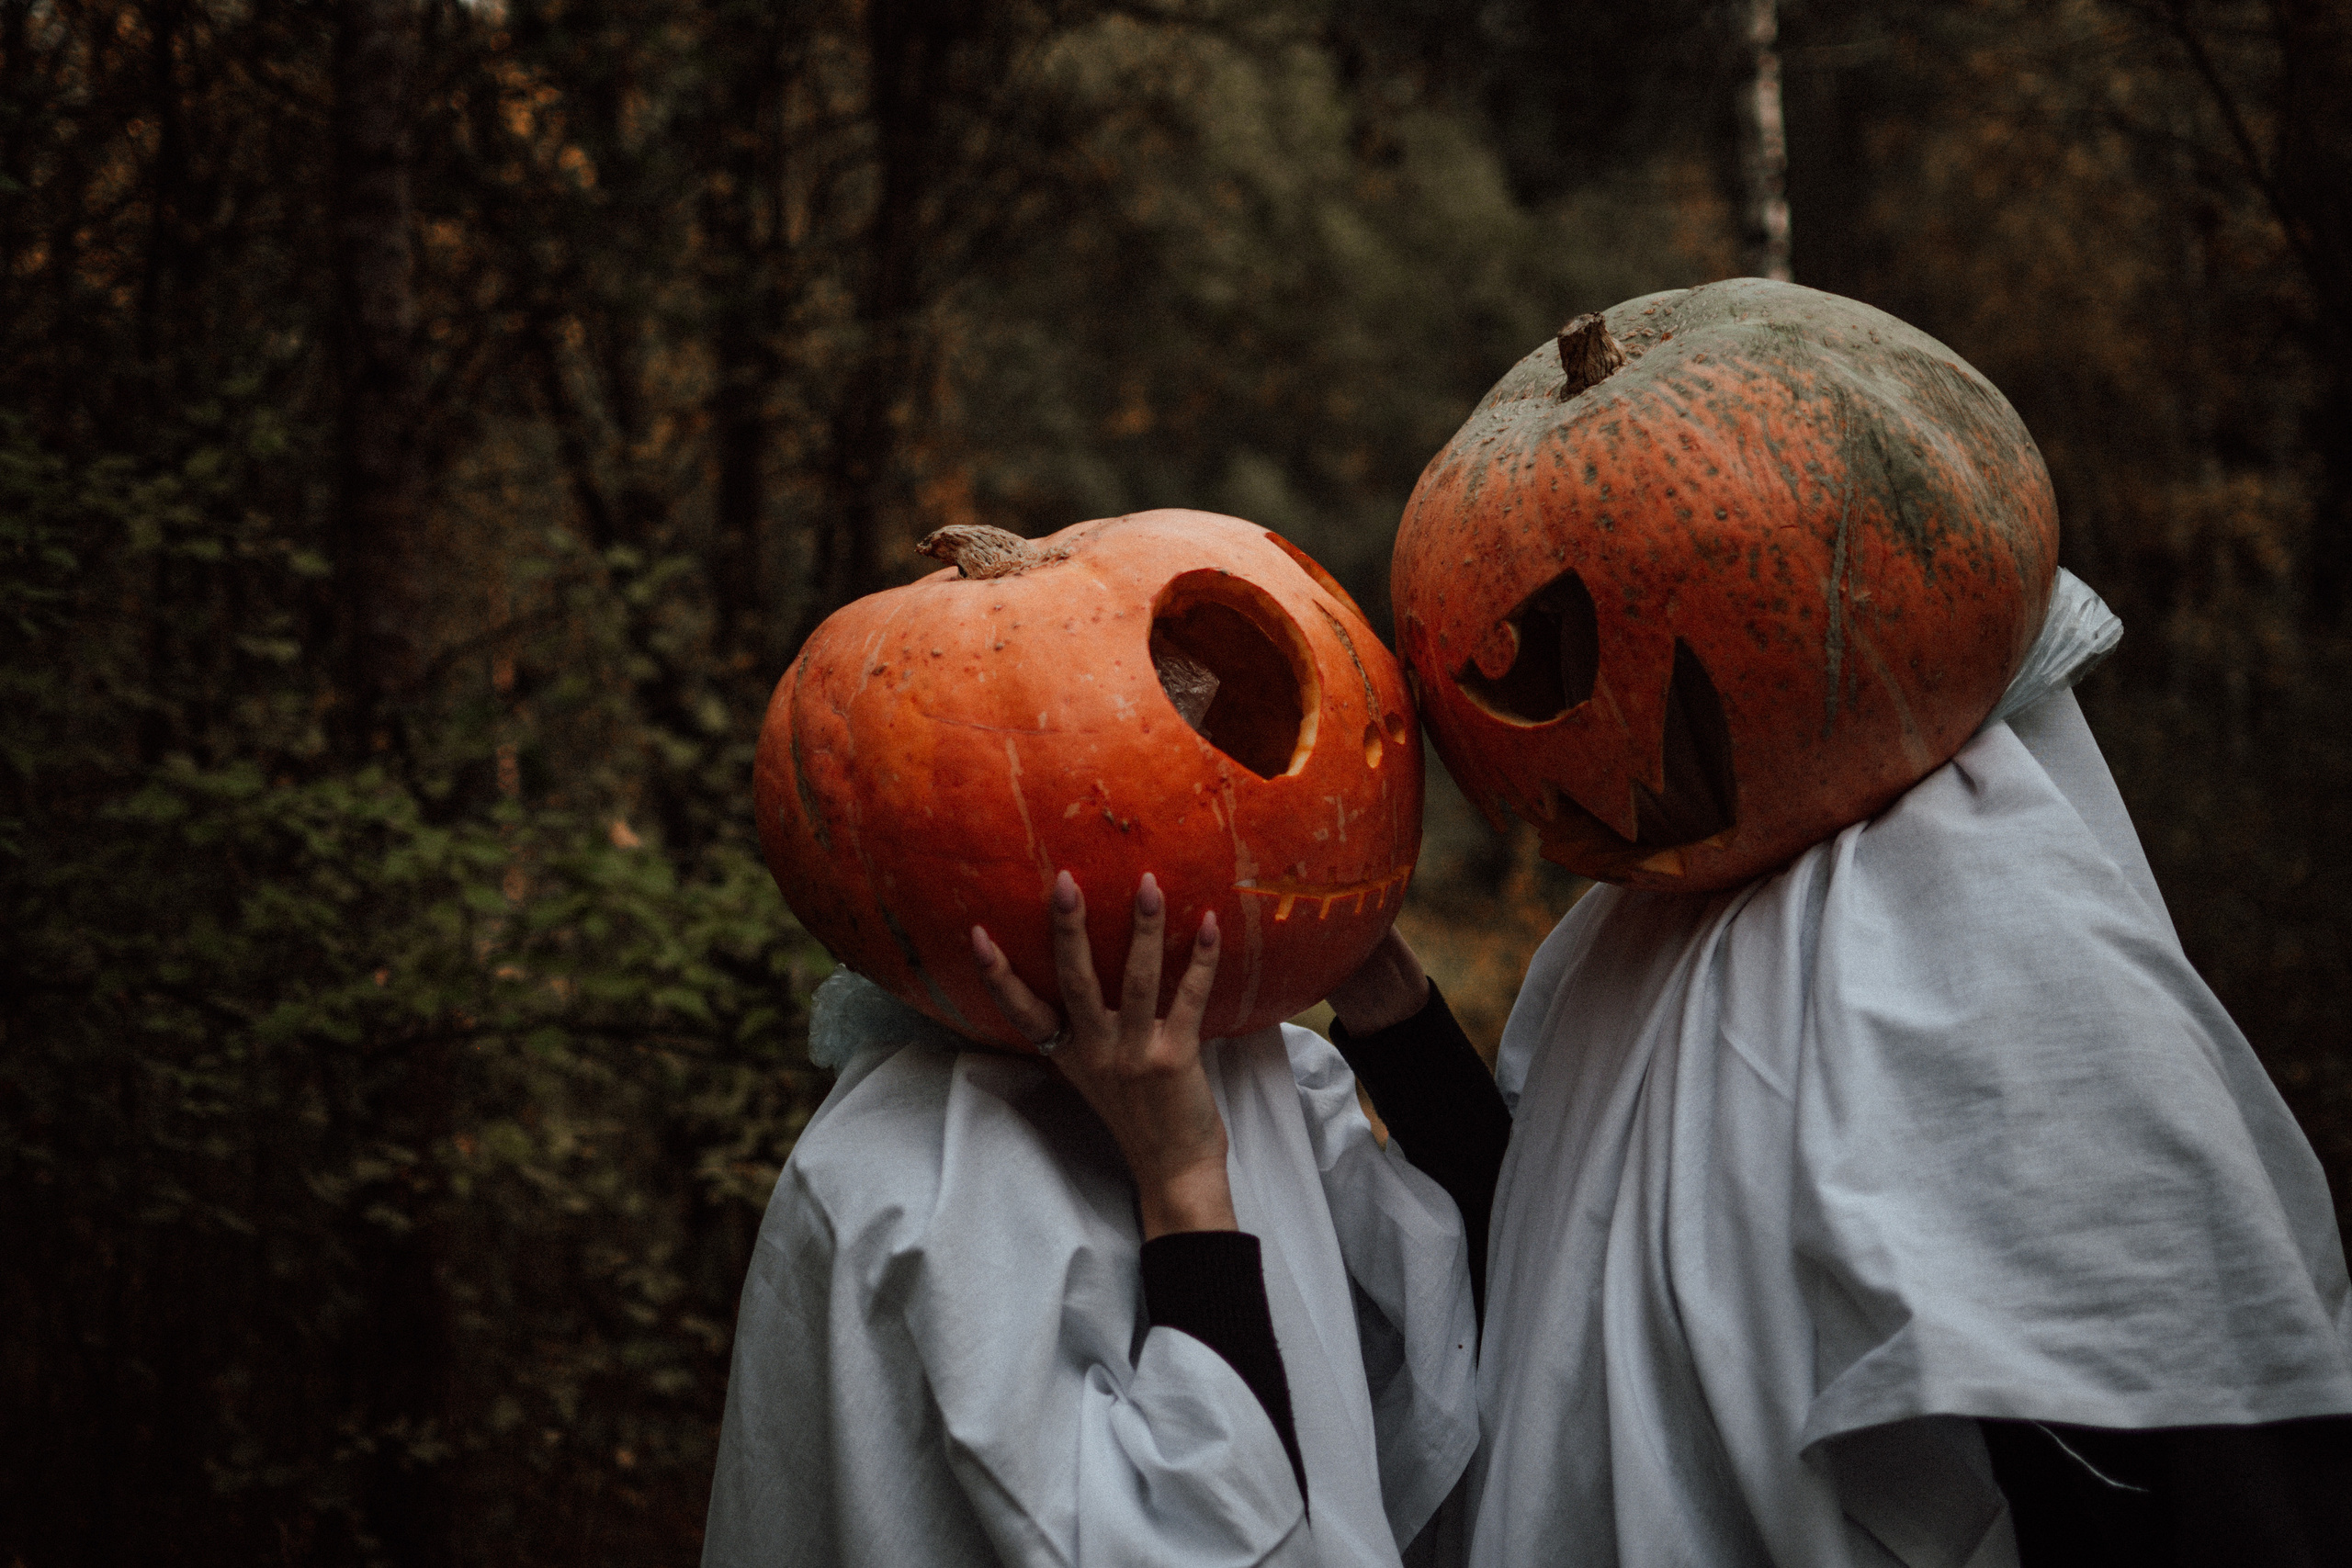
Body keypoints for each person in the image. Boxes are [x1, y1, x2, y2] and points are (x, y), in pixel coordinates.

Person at [1326, 572, 2352, 1566]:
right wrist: (1396, 1016)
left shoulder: (1994, 925)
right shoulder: (1633, 935)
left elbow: (2188, 1424)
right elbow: (1546, 1272)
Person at [701, 869, 1478, 1568]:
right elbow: (1213, 1540)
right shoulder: (904, 1197)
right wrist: (1184, 1184)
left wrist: (1389, 1004)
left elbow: (1474, 1314)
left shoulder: (1260, 1070)